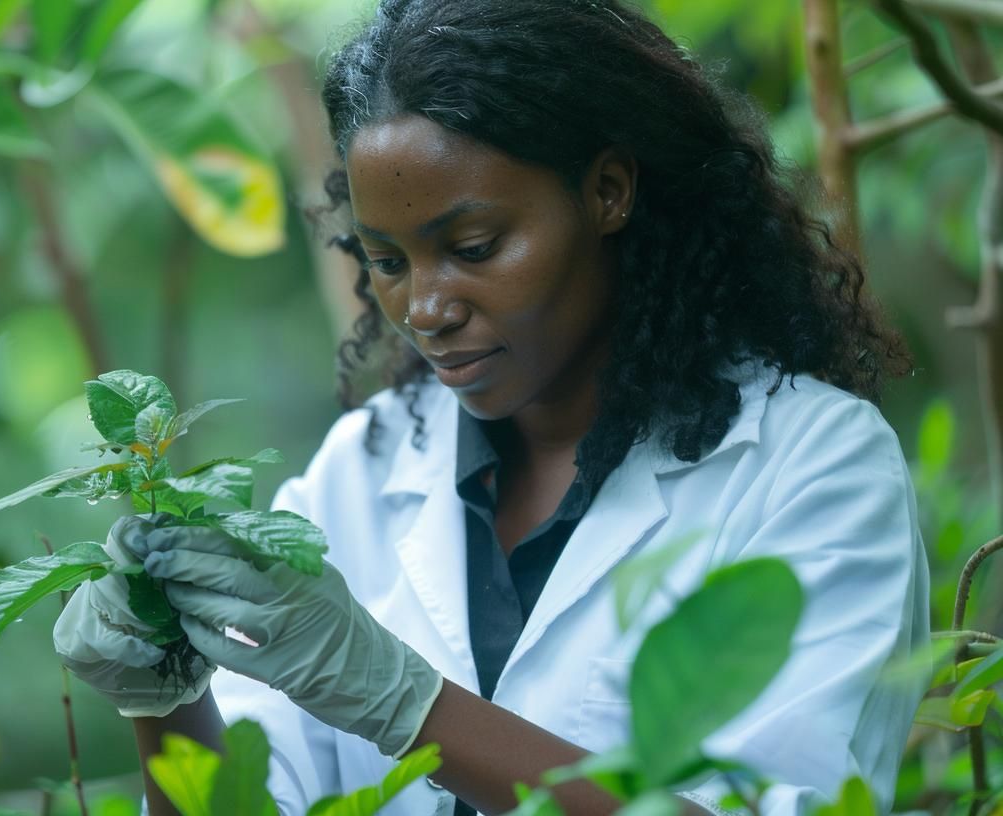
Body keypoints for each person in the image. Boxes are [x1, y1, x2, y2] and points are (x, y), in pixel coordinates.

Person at [52, 0, 931, 814]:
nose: (425, 309)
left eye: (473, 247)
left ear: (608, 191)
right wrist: (165, 698)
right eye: (386, 261)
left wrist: (407, 703)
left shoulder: (810, 463)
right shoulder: (362, 470)